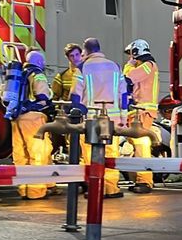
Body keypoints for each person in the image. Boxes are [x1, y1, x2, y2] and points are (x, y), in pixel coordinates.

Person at [71, 37, 128, 198]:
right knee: (110, 153)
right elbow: (124, 95)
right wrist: (123, 118)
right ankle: (111, 188)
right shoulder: (115, 66)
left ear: (85, 51)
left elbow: (75, 96)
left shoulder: (82, 68)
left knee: (90, 154)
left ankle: (94, 188)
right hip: (113, 119)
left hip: (91, 119)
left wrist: (77, 115)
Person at [4, 49, 53, 199]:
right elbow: (43, 96)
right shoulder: (37, 74)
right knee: (38, 154)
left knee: (21, 155)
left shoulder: (17, 76)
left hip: (16, 118)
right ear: (39, 62)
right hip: (33, 119)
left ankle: (23, 189)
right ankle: (35, 192)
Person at [122, 38, 160, 194]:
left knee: (141, 146)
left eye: (131, 54)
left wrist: (129, 65)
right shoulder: (147, 66)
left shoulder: (148, 66)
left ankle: (145, 181)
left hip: (143, 112)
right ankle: (138, 178)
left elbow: (128, 78)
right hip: (138, 111)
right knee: (135, 146)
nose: (130, 57)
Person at [50, 43, 83, 162]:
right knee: (73, 145)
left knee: (86, 145)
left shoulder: (88, 72)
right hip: (70, 116)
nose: (75, 58)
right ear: (68, 58)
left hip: (86, 114)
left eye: (77, 54)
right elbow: (55, 97)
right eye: (72, 56)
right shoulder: (62, 76)